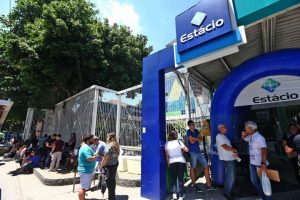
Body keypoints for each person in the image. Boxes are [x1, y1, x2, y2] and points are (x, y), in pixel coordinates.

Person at [241, 121, 272, 200]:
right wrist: (243, 135)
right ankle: (263, 197)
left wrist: (263, 164)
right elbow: (245, 139)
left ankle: (267, 198)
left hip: (259, 164)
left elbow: (264, 150)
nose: (244, 129)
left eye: (246, 127)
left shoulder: (259, 137)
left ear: (250, 128)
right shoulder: (251, 136)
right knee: (254, 181)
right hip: (252, 164)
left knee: (264, 183)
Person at [186, 120, 215, 192]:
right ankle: (194, 184)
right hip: (192, 152)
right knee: (193, 168)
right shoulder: (188, 132)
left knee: (206, 165)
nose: (193, 125)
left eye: (194, 124)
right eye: (192, 124)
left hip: (198, 151)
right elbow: (191, 141)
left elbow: (201, 139)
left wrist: (194, 138)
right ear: (189, 125)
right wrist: (196, 139)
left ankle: (208, 184)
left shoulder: (196, 130)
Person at [216, 124, 240, 200]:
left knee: (232, 177)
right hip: (228, 160)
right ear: (220, 129)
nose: (227, 129)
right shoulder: (219, 136)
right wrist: (234, 150)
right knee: (230, 177)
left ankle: (231, 191)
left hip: (231, 159)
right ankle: (227, 193)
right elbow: (225, 147)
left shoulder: (224, 136)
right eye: (225, 128)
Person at [165, 131, 189, 200]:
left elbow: (167, 156)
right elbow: (187, 150)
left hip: (172, 161)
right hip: (181, 160)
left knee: (174, 178)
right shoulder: (179, 142)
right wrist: (182, 150)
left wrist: (168, 163)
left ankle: (174, 195)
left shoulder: (167, 144)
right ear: (176, 136)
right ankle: (181, 196)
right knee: (180, 178)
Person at [78, 134, 99, 200]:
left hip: (86, 170)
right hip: (85, 170)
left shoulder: (86, 146)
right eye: (93, 139)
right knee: (83, 188)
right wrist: (96, 156)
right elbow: (89, 159)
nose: (94, 140)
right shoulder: (86, 148)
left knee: (83, 187)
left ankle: (83, 198)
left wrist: (94, 155)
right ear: (89, 139)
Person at [101, 133, 120, 200]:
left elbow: (105, 157)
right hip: (115, 163)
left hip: (109, 166)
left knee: (109, 182)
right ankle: (112, 196)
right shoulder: (116, 144)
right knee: (112, 180)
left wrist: (102, 165)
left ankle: (111, 197)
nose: (106, 138)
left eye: (107, 137)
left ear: (110, 138)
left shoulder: (109, 145)